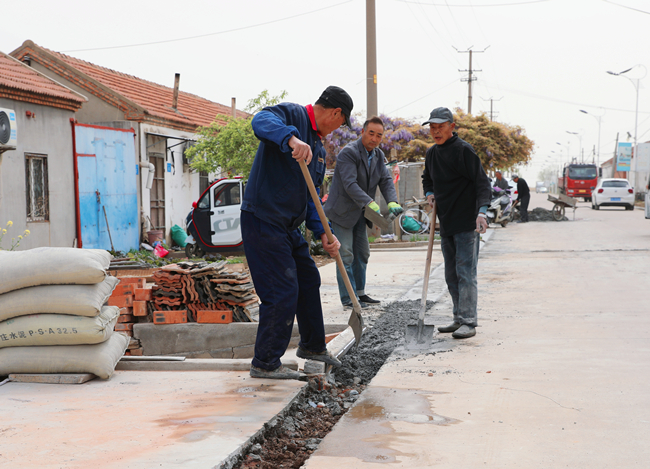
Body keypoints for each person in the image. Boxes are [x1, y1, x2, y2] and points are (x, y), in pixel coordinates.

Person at [241, 86, 353, 379]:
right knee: (281, 288)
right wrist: (290, 138)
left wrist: (324, 232)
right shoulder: (293, 115)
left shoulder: (318, 149)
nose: (335, 130)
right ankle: (265, 363)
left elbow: (311, 196)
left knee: (307, 279)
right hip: (263, 220)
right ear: (335, 113)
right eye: (340, 124)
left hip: (288, 227)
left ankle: (313, 347)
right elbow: (260, 120)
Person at [421, 107, 491, 339]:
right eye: (432, 127)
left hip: (467, 222)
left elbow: (481, 182)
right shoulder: (432, 153)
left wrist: (482, 212)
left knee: (465, 273)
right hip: (446, 222)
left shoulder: (463, 150)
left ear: (452, 126)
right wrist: (430, 193)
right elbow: (427, 179)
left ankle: (469, 321)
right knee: (451, 274)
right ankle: (459, 318)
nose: (436, 131)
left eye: (440, 127)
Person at [324, 116, 403, 309]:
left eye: (379, 135)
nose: (374, 139)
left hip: (361, 212)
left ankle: (359, 293)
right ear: (362, 132)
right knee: (346, 254)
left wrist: (392, 201)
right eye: (371, 133)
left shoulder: (378, 155)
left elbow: (385, 180)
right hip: (342, 212)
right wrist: (369, 201)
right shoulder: (349, 153)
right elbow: (350, 184)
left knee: (362, 253)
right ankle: (348, 298)